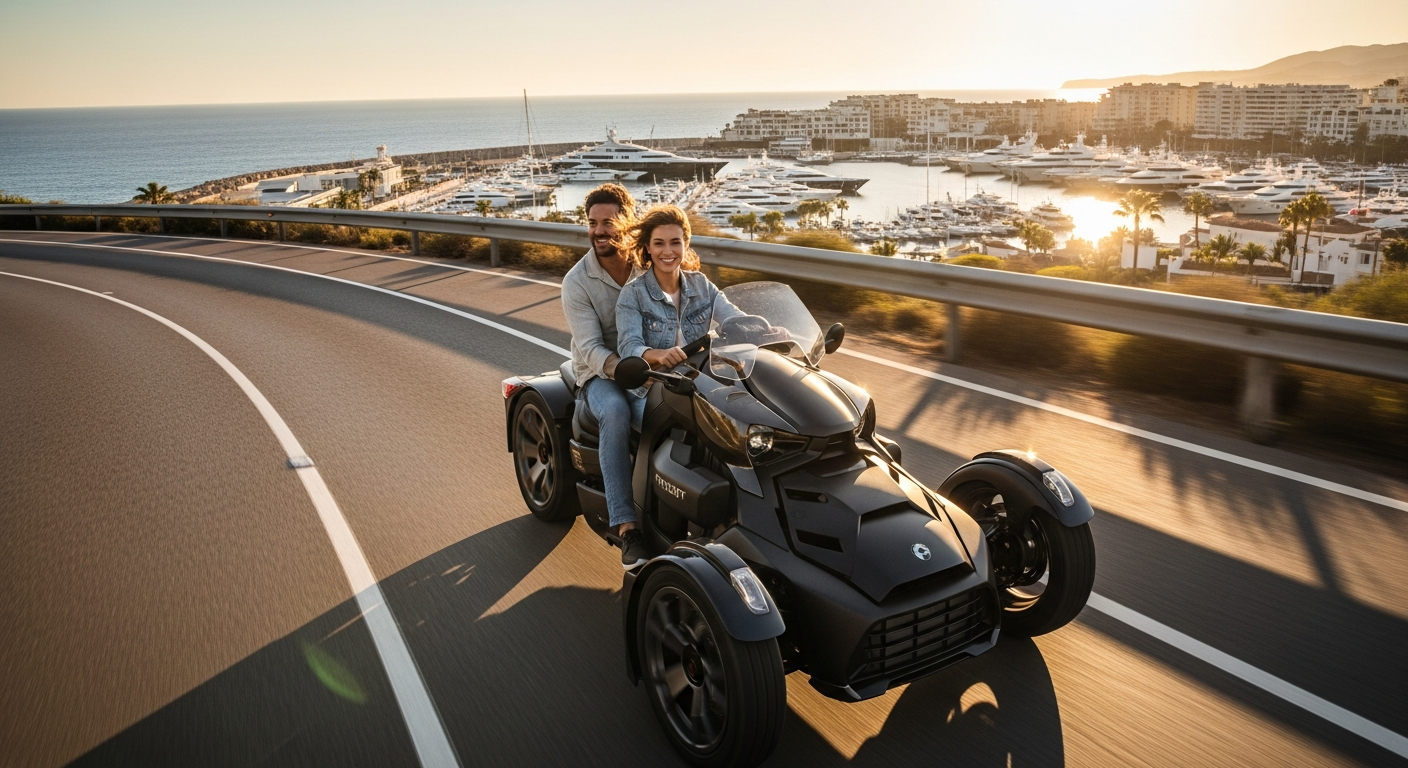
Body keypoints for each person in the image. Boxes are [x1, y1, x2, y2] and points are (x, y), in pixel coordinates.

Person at [560, 183, 649, 570]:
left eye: (608, 222)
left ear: (627, 223)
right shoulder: (577, 282)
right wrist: (624, 370)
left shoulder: (650, 265)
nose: (599, 231)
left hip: (652, 363)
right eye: (592, 223)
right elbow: (591, 347)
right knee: (615, 413)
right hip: (601, 373)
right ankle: (626, 527)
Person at [616, 205, 741, 429]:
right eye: (659, 243)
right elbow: (628, 347)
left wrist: (766, 329)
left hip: (699, 384)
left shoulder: (701, 284)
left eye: (675, 242)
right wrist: (660, 355)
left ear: (685, 244)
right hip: (651, 390)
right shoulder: (633, 294)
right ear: (648, 247)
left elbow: (734, 318)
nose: (668, 251)